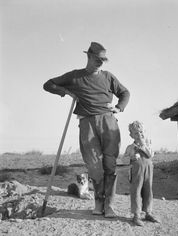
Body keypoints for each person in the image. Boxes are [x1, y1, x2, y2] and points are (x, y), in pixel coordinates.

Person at [43, 42, 130, 218]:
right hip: (87, 124)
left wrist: (119, 108)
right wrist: (67, 92)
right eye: (97, 59)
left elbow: (125, 93)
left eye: (103, 60)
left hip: (108, 121)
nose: (100, 63)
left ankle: (109, 205)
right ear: (89, 57)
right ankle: (98, 203)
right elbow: (48, 84)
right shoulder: (75, 76)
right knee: (94, 166)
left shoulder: (108, 77)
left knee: (110, 165)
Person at [123, 121, 159, 226]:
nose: (139, 135)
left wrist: (143, 144)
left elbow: (150, 154)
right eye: (136, 133)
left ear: (145, 132)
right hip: (136, 172)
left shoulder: (148, 144)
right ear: (131, 135)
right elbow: (123, 159)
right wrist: (131, 157)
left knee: (148, 190)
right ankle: (136, 215)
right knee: (136, 191)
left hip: (148, 170)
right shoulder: (130, 148)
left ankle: (148, 212)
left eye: (141, 132)